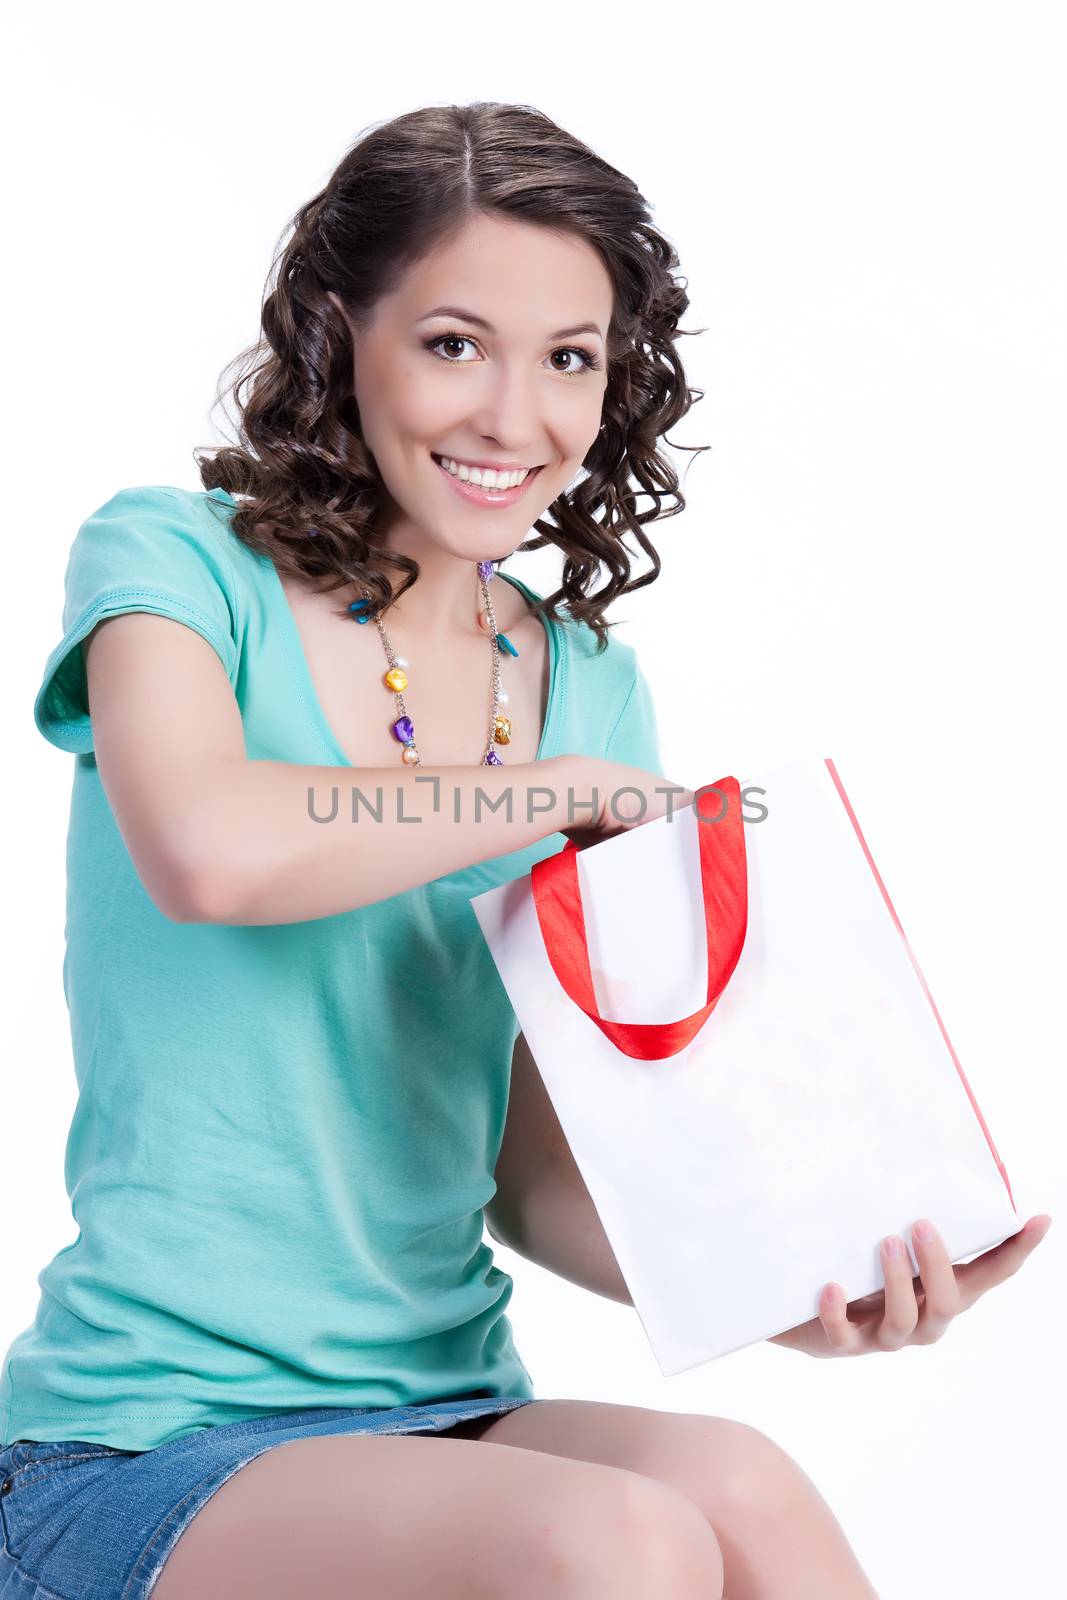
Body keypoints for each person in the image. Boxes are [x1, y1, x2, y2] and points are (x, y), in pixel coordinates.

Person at [1, 100, 1048, 1600]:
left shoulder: (587, 690)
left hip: (448, 1406)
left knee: (744, 1488)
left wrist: (795, 1285)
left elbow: (530, 1165)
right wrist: (551, 794)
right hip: (148, 1440)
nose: (513, 416)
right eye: (451, 342)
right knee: (609, 1540)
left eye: (569, 357)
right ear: (337, 333)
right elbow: (208, 849)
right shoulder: (172, 563)